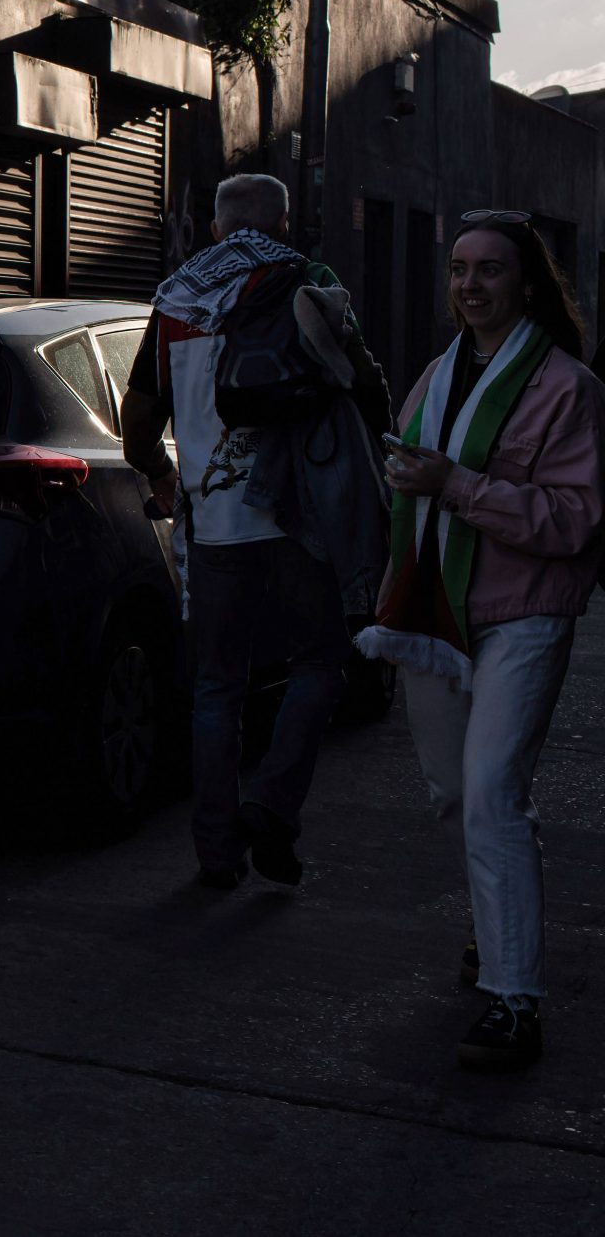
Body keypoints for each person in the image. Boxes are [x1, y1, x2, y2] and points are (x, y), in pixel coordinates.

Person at [359, 214, 605, 1072]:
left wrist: (458, 485)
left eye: (490, 270)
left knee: (495, 789)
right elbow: (414, 475)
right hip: (436, 609)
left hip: (525, 610)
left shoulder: (570, 388)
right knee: (456, 793)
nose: (470, 285)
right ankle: (494, 927)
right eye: (460, 269)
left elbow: (575, 520)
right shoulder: (437, 372)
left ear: (527, 283)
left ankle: (514, 997)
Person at [120, 173, 390, 890]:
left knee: (217, 688)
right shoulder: (310, 280)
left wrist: (160, 472)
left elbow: (138, 418)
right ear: (285, 224)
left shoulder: (176, 299)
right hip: (302, 520)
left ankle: (216, 854)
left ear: (215, 228)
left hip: (216, 528)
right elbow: (367, 386)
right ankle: (270, 804)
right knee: (320, 664)